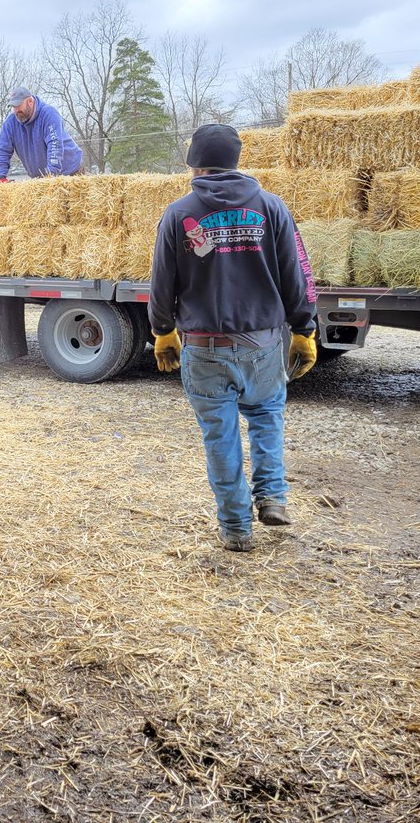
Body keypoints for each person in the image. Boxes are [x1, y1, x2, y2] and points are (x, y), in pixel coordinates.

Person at [148, 123, 318, 553]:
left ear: (194, 163)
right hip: (262, 343)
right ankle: (273, 496)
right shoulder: (272, 208)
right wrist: (304, 329)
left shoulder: (178, 213)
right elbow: (294, 273)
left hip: (203, 348)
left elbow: (161, 282)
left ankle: (237, 527)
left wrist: (162, 330)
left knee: (219, 434)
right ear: (236, 161)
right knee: (265, 416)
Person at [0, 87, 84, 181]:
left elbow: (55, 144)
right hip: (40, 179)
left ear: (30, 101)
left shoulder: (48, 114)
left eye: (19, 105)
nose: (16, 110)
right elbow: (3, 150)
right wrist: (2, 176)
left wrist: (51, 175)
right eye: (14, 107)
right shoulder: (10, 123)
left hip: (70, 172)